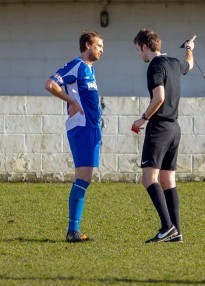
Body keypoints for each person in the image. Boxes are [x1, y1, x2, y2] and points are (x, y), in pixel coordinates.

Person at [132, 29, 195, 243]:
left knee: (148, 178)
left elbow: (159, 97)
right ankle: (176, 231)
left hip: (159, 127)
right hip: (175, 128)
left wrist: (143, 118)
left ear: (145, 46)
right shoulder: (174, 63)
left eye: (138, 50)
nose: (138, 54)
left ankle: (167, 227)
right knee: (168, 179)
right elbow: (190, 65)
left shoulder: (155, 66)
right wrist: (189, 49)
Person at [44, 31, 104, 243]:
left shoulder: (90, 69)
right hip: (82, 127)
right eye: (98, 46)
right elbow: (50, 84)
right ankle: (72, 230)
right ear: (87, 45)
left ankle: (73, 230)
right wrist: (71, 101)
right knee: (84, 178)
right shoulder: (77, 65)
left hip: (91, 127)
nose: (101, 50)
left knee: (83, 177)